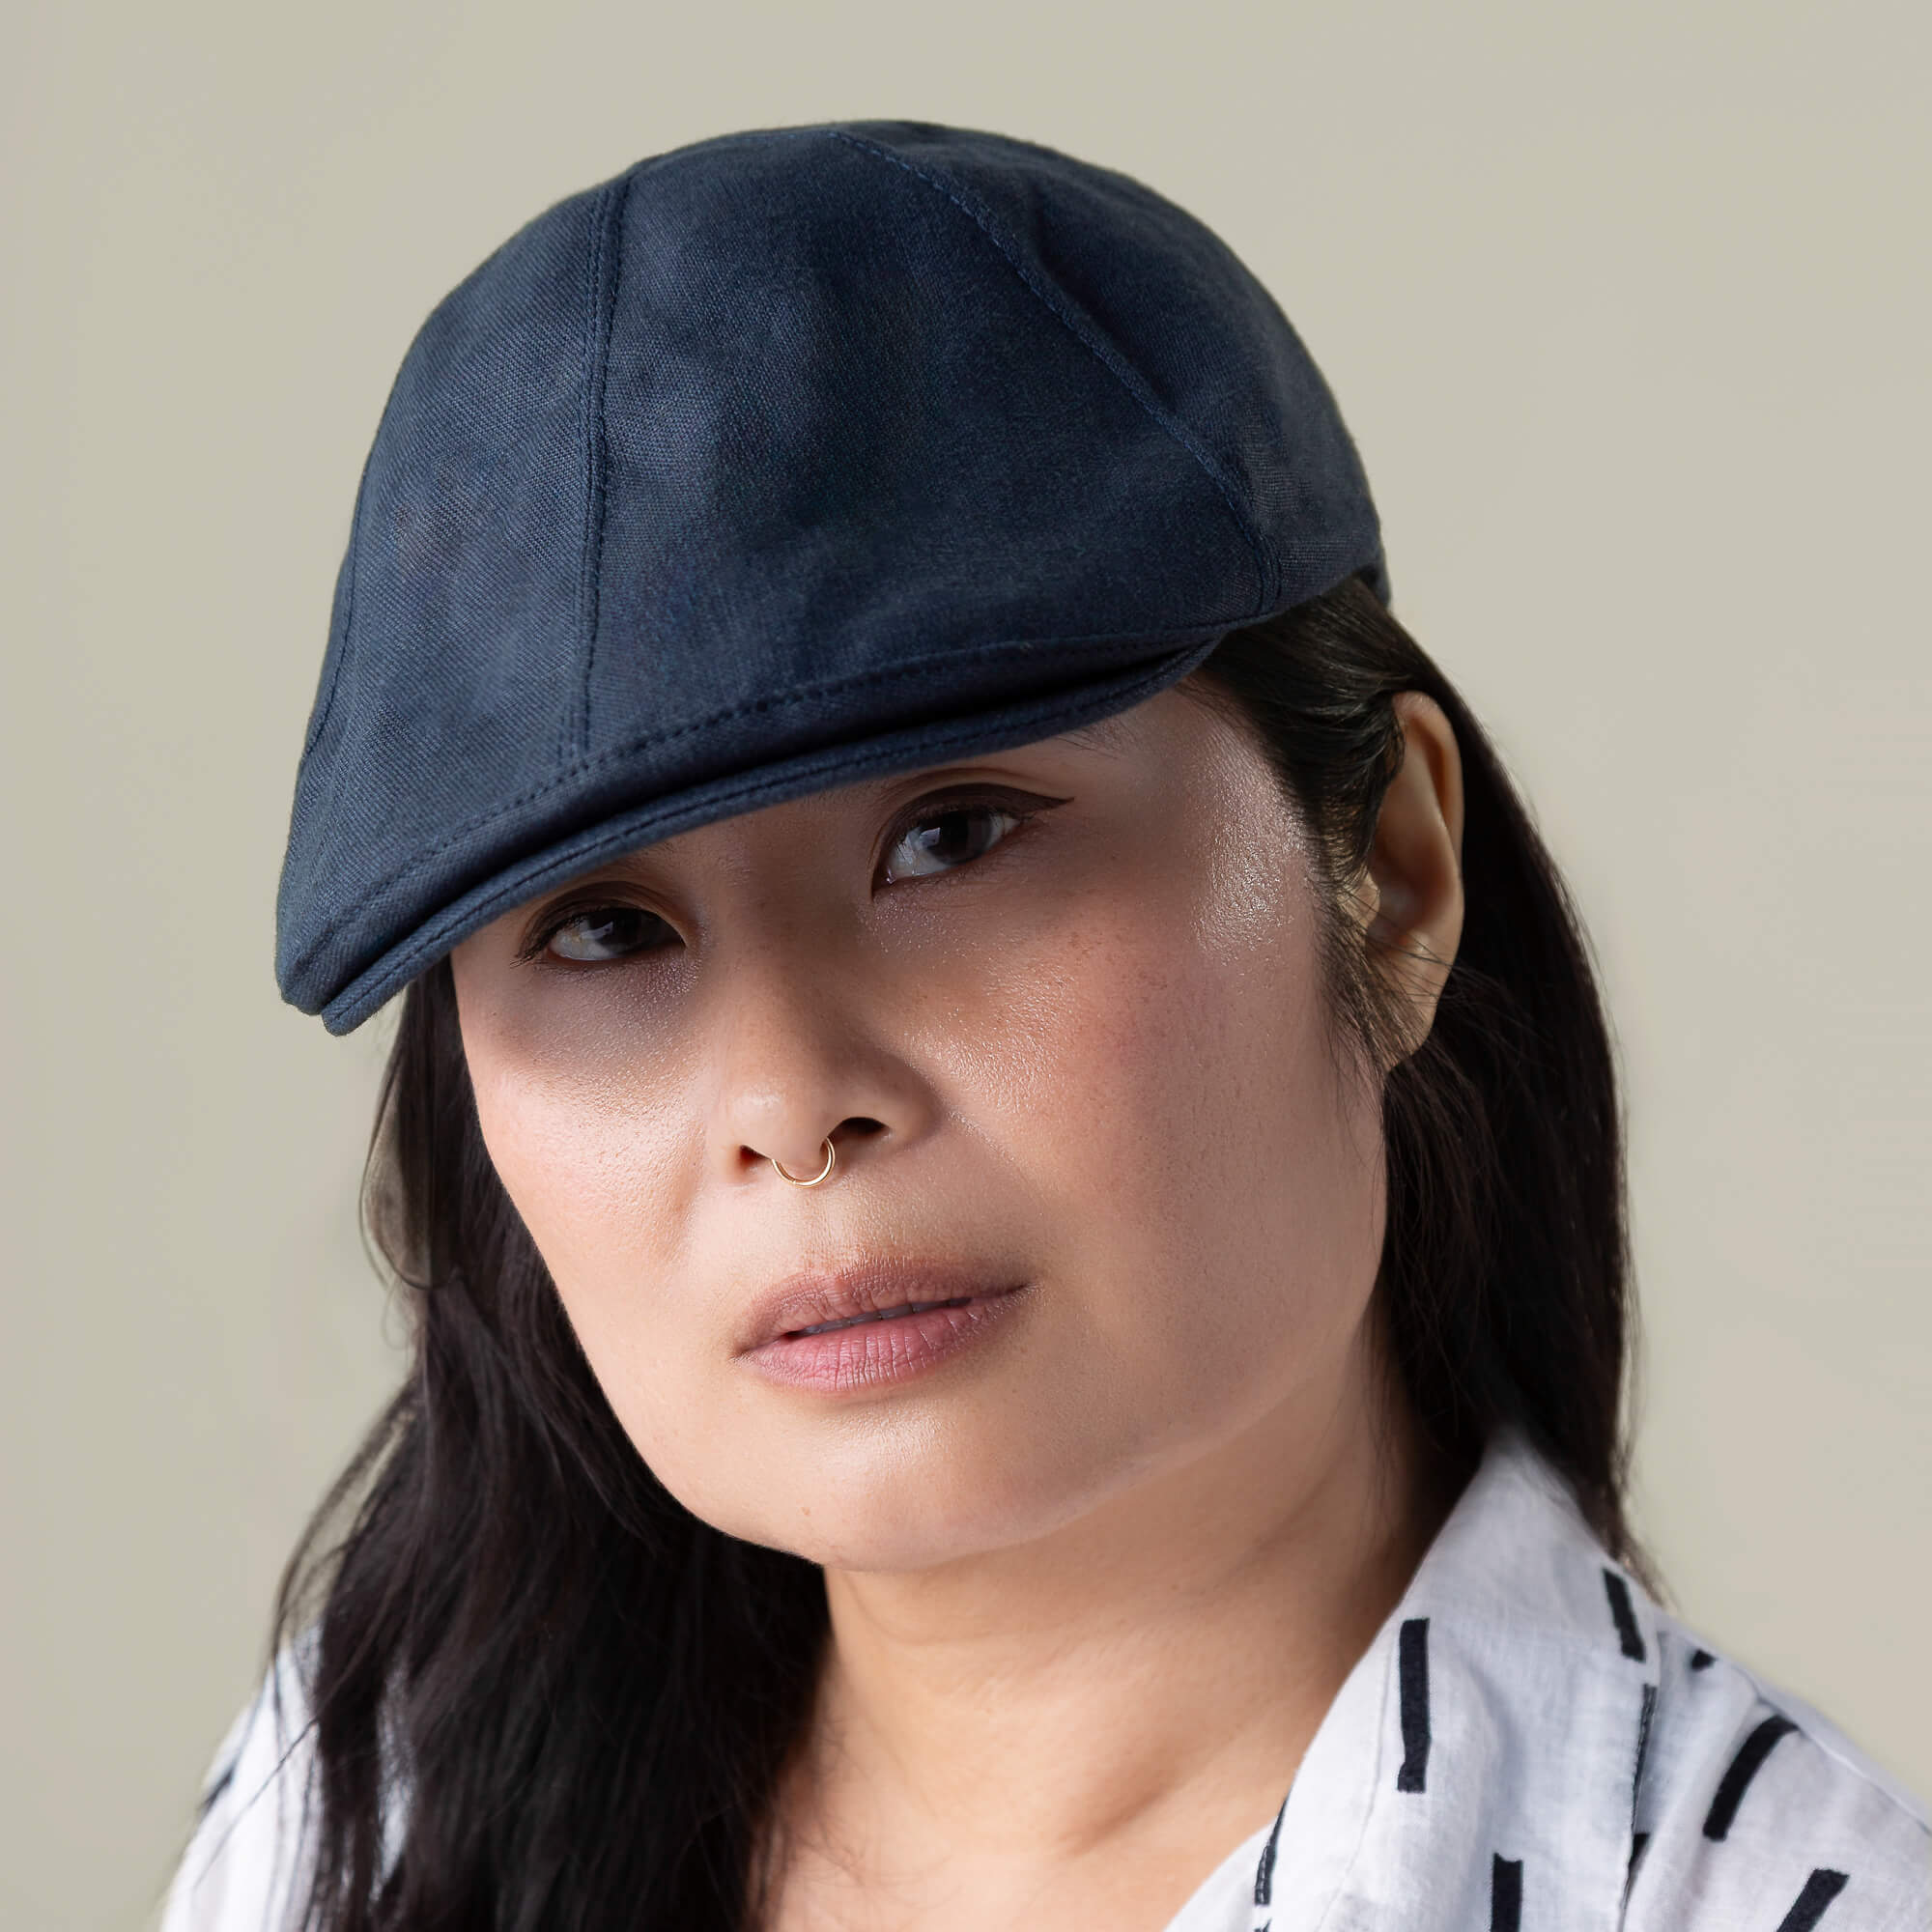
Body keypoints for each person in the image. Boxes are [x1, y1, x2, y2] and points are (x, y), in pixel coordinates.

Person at [162, 122, 1927, 1931]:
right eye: (603, 929)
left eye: (955, 836)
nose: (789, 1099)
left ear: (1391, 876)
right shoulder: (347, 1823)